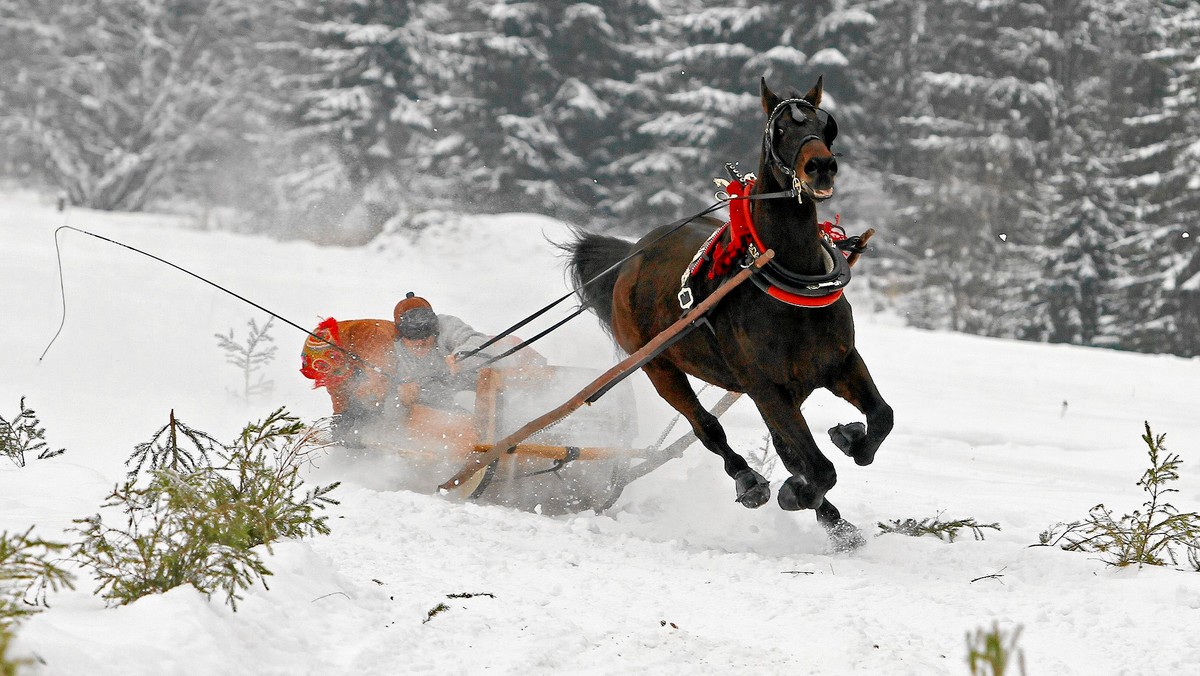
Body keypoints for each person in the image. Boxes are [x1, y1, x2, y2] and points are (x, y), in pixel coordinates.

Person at [300, 292, 543, 447]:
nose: (421, 345)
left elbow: (477, 342)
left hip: (495, 378)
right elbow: (388, 407)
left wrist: (460, 358)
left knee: (504, 359)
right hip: (454, 405)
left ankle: (535, 421)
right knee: (456, 406)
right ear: (401, 336)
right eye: (413, 340)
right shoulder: (393, 354)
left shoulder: (446, 326)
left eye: (427, 338)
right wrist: (401, 399)